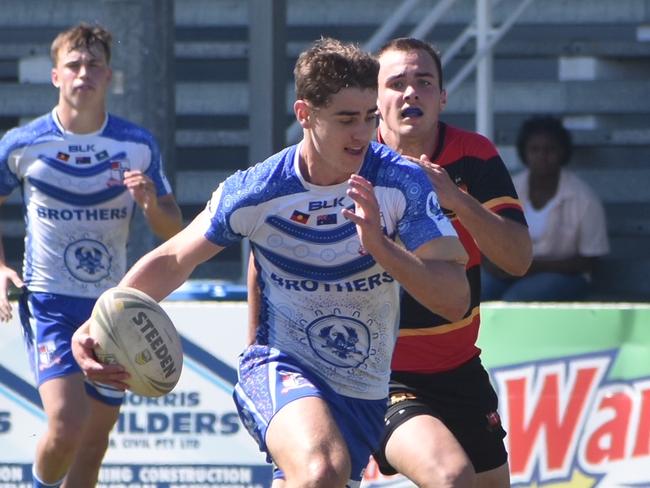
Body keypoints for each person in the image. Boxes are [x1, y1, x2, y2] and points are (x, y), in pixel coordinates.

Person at [71, 37, 470, 488]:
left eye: (369, 117)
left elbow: (455, 298)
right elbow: (173, 258)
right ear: (305, 114)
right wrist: (95, 323)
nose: (362, 134)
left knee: (320, 476)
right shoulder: (258, 190)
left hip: (364, 391)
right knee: (322, 470)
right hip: (279, 367)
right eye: (345, 119)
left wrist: (381, 247)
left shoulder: (402, 182)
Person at [0, 23, 183, 488]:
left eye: (94, 65)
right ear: (55, 76)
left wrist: (149, 206)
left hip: (109, 310)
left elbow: (174, 230)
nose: (84, 73)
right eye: (74, 65)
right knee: (66, 425)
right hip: (50, 303)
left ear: (109, 76)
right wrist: (0, 268)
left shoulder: (136, 145)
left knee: (94, 442)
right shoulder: (22, 144)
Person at [370, 38, 532, 488]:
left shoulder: (474, 155)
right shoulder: (351, 160)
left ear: (442, 96)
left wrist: (455, 197)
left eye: (424, 82)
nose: (410, 93)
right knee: (450, 477)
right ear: (375, 97)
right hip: (379, 373)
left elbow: (518, 260)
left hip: (460, 367)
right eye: (396, 83)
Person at [481, 115, 609, 302]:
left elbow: (589, 262)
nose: (542, 157)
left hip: (565, 277)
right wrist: (491, 263)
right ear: (524, 153)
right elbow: (485, 237)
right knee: (475, 290)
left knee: (516, 300)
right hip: (511, 270)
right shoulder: (508, 189)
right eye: (535, 149)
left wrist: (534, 267)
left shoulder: (584, 198)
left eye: (550, 150)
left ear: (563, 153)